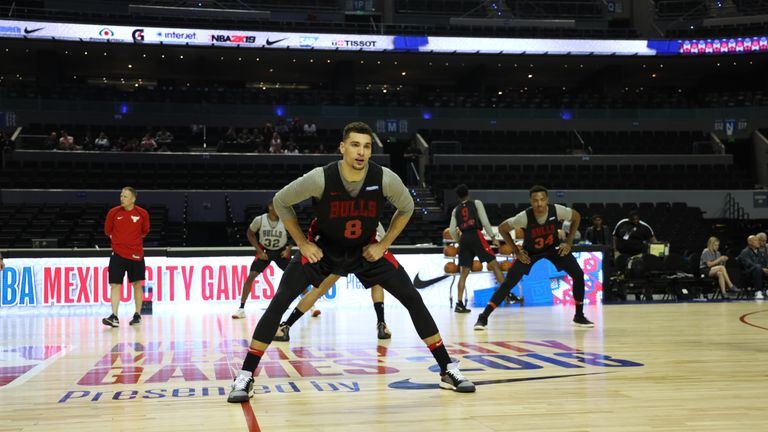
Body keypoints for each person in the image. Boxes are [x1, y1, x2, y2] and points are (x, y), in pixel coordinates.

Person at [227, 122, 474, 403]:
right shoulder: (321, 178)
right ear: (342, 147)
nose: (361, 152)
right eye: (355, 145)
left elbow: (406, 208)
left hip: (365, 250)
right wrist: (303, 243)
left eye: (367, 146)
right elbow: (281, 201)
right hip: (322, 250)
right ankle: (246, 374)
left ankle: (446, 368)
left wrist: (383, 245)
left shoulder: (385, 178)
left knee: (412, 298)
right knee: (279, 301)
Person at [474, 185, 593, 330]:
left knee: (578, 274)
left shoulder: (557, 210)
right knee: (508, 283)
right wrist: (516, 251)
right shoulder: (524, 217)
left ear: (547, 200)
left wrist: (568, 242)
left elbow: (576, 217)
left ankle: (579, 316)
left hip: (553, 248)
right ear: (531, 201)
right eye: (536, 200)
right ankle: (483, 317)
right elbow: (502, 228)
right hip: (530, 252)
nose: (539, 203)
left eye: (542, 200)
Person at [273, 221, 391, 341]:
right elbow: (383, 242)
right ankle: (381, 324)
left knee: (318, 290)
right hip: (366, 255)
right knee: (377, 283)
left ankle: (286, 326)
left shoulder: (344, 215)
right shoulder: (373, 219)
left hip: (345, 256)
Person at [448, 184, 510, 314]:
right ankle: (507, 295)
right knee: (494, 265)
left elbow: (452, 230)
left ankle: (459, 304)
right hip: (476, 235)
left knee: (463, 273)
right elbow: (485, 222)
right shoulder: (476, 203)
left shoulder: (455, 210)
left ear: (458, 197)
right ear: (468, 193)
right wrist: (493, 237)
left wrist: (459, 240)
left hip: (464, 238)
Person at [232, 201, 294, 319]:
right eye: (277, 207)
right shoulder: (259, 220)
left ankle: (312, 307)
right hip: (264, 251)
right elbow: (250, 233)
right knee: (251, 276)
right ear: (270, 207)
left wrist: (288, 249)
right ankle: (241, 309)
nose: (280, 209)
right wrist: (258, 251)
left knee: (295, 275)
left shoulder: (285, 220)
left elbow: (295, 235)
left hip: (281, 252)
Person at [102, 187, 150, 327]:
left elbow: (145, 231)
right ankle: (114, 317)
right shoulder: (113, 213)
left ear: (133, 199)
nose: (122, 198)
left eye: (125, 196)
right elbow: (107, 231)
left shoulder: (142, 213)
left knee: (137, 284)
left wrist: (131, 242)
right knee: (115, 284)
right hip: (117, 254)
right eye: (121, 195)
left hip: (136, 255)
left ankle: (137, 315)